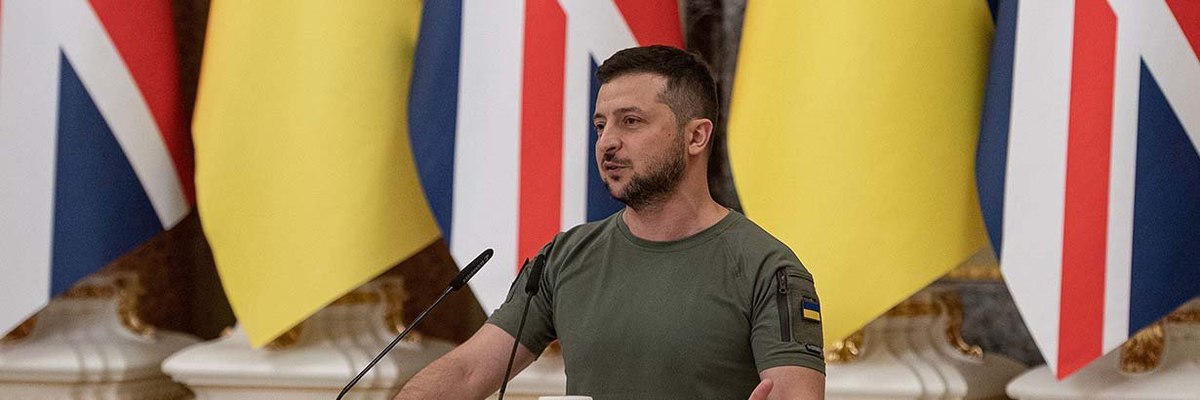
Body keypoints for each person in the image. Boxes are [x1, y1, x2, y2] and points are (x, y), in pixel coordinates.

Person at [395, 45, 825, 400]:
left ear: (696, 136)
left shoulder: (768, 269)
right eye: (601, 125)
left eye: (631, 122)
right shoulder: (564, 257)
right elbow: (469, 372)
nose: (607, 142)